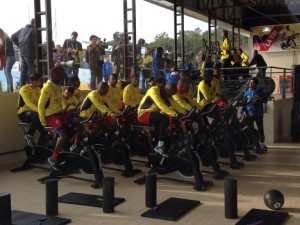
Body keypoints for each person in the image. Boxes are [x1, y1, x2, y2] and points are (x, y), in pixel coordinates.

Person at [38, 67, 78, 171]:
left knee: (80, 120)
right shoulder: (47, 88)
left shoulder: (58, 86)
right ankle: (53, 157)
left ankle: (75, 146)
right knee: (63, 135)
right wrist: (43, 120)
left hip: (61, 113)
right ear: (52, 76)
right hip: (51, 115)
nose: (60, 77)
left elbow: (60, 102)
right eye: (58, 75)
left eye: (60, 75)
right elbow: (41, 105)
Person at [137, 77, 179, 157]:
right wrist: (175, 114)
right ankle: (159, 146)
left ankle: (160, 149)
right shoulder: (153, 91)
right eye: (170, 94)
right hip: (143, 114)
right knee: (165, 118)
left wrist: (184, 112)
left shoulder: (165, 93)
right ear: (166, 89)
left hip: (153, 114)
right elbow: (161, 105)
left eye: (172, 95)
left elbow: (175, 104)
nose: (170, 96)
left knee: (169, 123)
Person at [240, 77, 268, 151]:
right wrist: (241, 113)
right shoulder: (246, 93)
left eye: (252, 82)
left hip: (258, 114)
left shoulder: (260, 92)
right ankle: (251, 143)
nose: (250, 84)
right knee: (250, 129)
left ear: (256, 84)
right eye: (250, 82)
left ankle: (262, 143)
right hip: (249, 114)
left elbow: (266, 100)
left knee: (260, 129)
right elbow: (244, 104)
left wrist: (261, 99)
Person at [17, 72, 44, 147]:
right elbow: (28, 103)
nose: (41, 82)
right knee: (37, 114)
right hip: (24, 113)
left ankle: (38, 150)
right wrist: (40, 111)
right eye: (39, 80)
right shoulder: (24, 89)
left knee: (45, 131)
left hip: (36, 113)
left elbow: (41, 103)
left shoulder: (39, 89)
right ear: (34, 81)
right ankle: (29, 134)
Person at [11, 18, 36, 87]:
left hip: (22, 52)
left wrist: (19, 46)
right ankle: (32, 86)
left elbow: (12, 37)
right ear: (34, 23)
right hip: (30, 53)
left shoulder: (22, 30)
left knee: (23, 70)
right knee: (32, 70)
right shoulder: (34, 30)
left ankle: (21, 87)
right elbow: (36, 44)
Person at [0, 28, 16, 92]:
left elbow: (5, 51)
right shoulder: (5, 39)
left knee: (7, 72)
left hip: (10, 57)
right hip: (9, 57)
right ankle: (9, 87)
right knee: (6, 72)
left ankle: (10, 88)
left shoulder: (6, 40)